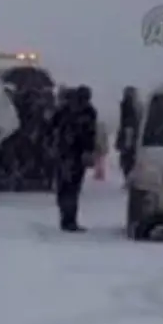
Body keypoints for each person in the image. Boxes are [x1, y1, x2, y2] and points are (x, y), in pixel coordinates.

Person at [51, 85, 98, 232]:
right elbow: (89, 135)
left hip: (64, 153)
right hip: (76, 155)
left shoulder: (65, 109)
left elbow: (52, 125)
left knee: (64, 188)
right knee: (72, 189)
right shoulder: (88, 112)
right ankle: (69, 220)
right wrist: (89, 151)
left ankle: (66, 219)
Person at [116, 86, 141, 181]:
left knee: (127, 159)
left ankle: (128, 178)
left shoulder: (126, 105)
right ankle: (129, 178)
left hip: (128, 133)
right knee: (129, 159)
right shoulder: (133, 105)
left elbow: (124, 123)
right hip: (131, 134)